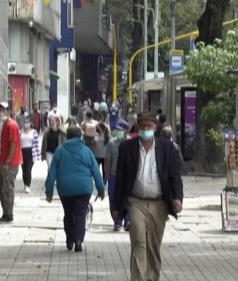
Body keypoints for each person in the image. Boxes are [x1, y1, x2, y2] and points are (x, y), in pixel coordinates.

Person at [113, 112, 183, 281]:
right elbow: (120, 177)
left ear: (155, 128)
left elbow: (175, 175)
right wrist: (115, 206)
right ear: (138, 127)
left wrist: (177, 198)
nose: (145, 129)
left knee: (153, 247)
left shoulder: (167, 148)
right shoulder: (126, 148)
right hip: (135, 202)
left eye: (149, 126)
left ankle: (152, 278)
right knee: (138, 242)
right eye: (142, 126)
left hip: (159, 204)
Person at [45, 126, 105, 252]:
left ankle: (70, 240)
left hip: (65, 189)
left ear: (67, 136)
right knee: (80, 214)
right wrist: (101, 189)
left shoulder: (60, 151)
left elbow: (52, 173)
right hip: (84, 189)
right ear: (80, 136)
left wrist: (49, 191)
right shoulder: (86, 151)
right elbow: (96, 171)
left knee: (68, 214)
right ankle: (78, 240)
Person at [0, 102, 23, 223]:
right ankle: (5, 212)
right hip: (3, 161)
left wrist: (7, 162)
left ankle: (9, 215)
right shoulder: (5, 125)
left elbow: (13, 145)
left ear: (8, 111)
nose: (1, 112)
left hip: (11, 163)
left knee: (7, 189)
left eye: (3, 110)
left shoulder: (12, 125)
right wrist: (0, 160)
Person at [104, 120, 130, 231]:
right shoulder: (111, 143)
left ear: (125, 131)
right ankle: (117, 221)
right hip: (114, 176)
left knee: (128, 198)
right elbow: (107, 161)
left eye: (120, 130)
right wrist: (106, 176)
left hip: (128, 176)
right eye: (117, 129)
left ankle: (128, 220)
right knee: (114, 199)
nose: (118, 131)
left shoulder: (131, 142)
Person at [20, 119, 40, 193]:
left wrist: (38, 155)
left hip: (31, 152)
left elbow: (36, 144)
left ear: (31, 123)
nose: (26, 124)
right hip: (22, 152)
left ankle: (28, 186)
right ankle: (25, 184)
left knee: (28, 170)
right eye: (25, 122)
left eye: (27, 122)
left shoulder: (34, 132)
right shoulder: (20, 132)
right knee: (24, 170)